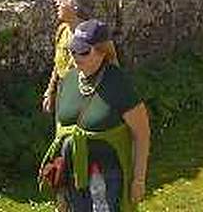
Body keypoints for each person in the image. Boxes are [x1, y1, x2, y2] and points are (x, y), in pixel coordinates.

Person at [39, 19, 151, 212]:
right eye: (72, 50)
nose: (75, 56)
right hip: (72, 176)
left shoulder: (118, 83)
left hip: (107, 178)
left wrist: (139, 180)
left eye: (83, 51)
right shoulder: (68, 80)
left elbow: (142, 134)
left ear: (102, 52)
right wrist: (60, 185)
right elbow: (60, 130)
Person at [42, 0, 92, 114]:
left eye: (63, 1)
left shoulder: (89, 35)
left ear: (74, 8)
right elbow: (58, 64)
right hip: (63, 92)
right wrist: (51, 91)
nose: (57, 4)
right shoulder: (63, 29)